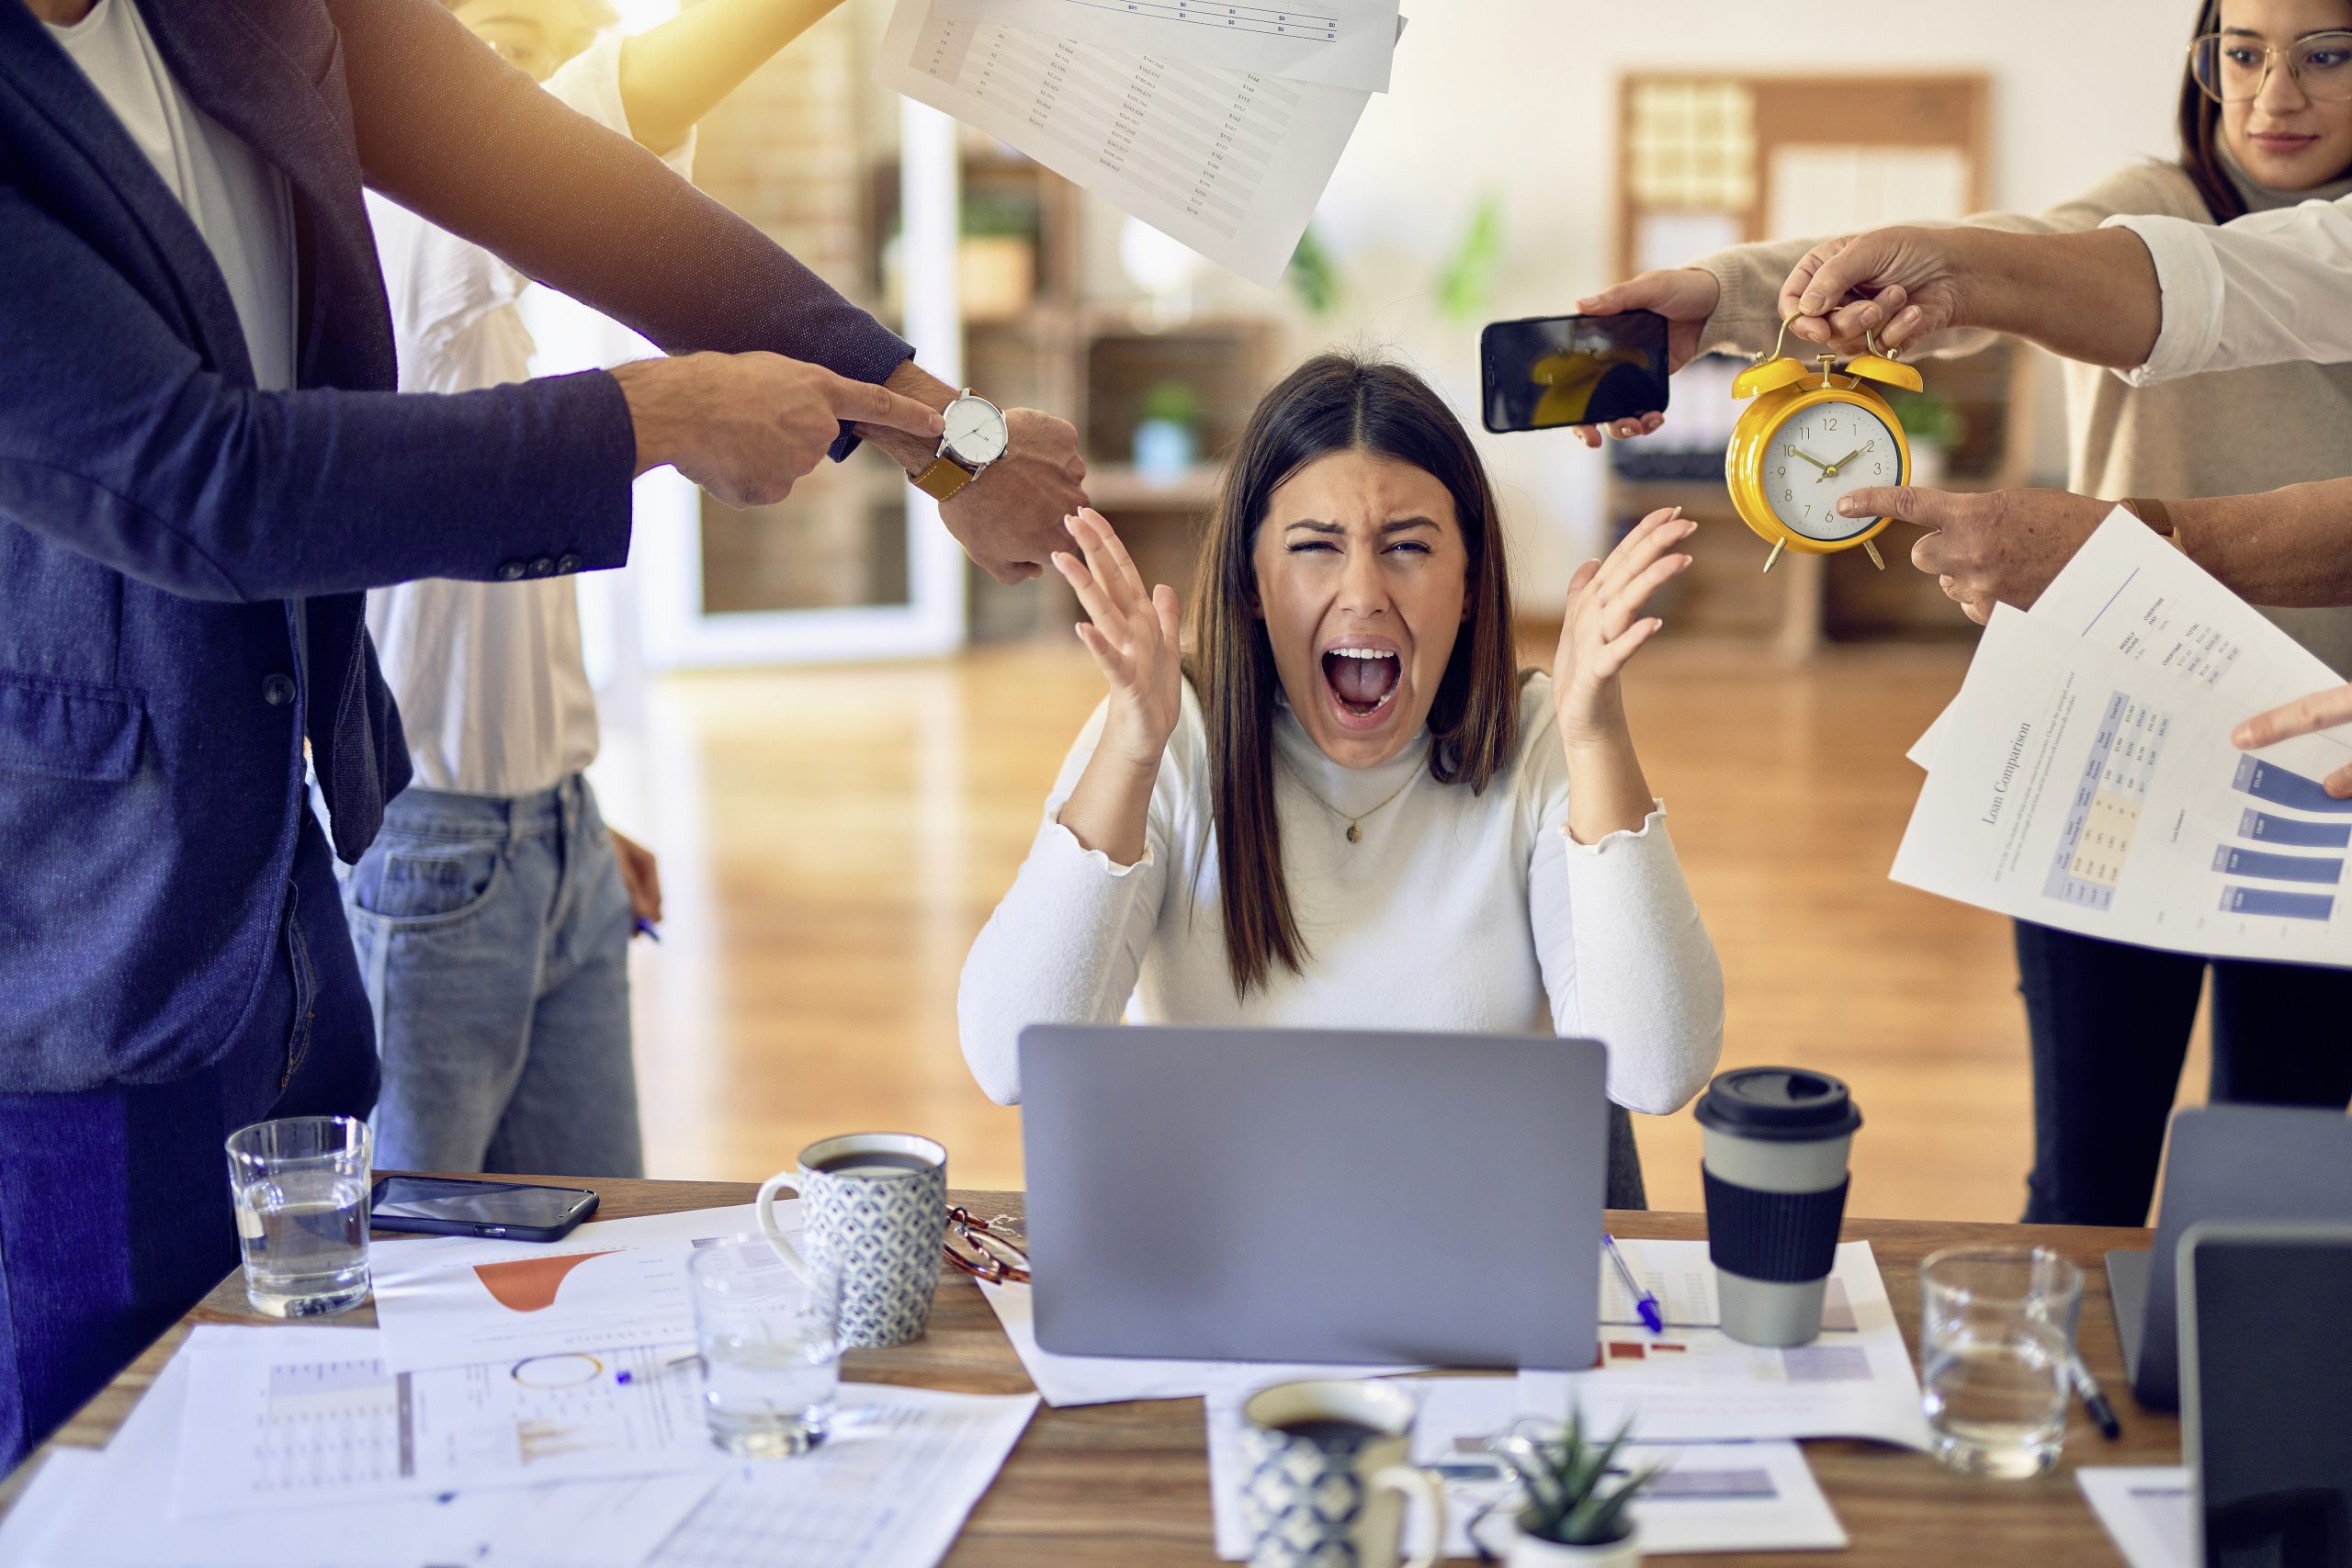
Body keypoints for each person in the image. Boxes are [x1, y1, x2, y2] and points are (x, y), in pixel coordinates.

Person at [0, 0, 1084, 1469]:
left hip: (283, 885)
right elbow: (209, 485)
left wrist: (940, 436)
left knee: (295, 1428)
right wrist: (648, 416)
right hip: (75, 943)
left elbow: (559, 173)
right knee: (94, 1474)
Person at [1572, 0, 2352, 1226]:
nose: (2273, 96)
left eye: (2326, 55)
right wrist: (1720, 295)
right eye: (2241, 52)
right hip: (2117, 750)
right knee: (2082, 1176)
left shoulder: (2252, 254)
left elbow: (2146, 287)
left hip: (2326, 763)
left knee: (2277, 1176)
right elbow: (1964, 256)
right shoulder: (2141, 204)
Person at [956, 355, 1725, 1204]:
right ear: (1252, 583)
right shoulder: (1168, 731)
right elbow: (1008, 1059)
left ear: (1469, 583)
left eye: (1408, 547)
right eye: (1316, 547)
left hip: (1472, 1250)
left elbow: (1657, 1071)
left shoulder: (1542, 737)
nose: (1362, 593)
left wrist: (1597, 733)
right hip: (1226, 1247)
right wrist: (1132, 751)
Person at [350, 0, 853, 1181]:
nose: (533, 80)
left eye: (552, 42)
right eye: (496, 49)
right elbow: (604, 118)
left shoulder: (496, 322)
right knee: (422, 1282)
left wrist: (561, 815)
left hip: (551, 838)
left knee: (595, 1242)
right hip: (431, 858)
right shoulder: (397, 233)